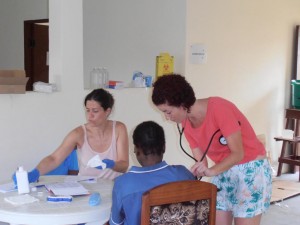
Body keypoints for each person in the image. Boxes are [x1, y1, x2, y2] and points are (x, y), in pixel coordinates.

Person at [151, 74, 272, 225]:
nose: (167, 118)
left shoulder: (219, 108)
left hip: (251, 170)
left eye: (168, 112)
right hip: (223, 171)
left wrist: (212, 171)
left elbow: (238, 153)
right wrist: (197, 170)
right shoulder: (186, 123)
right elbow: (202, 162)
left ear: (182, 104)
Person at [13, 88, 129, 184]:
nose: (90, 116)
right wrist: (35, 173)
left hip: (114, 187)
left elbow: (124, 165)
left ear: (107, 111)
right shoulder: (78, 134)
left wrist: (112, 164)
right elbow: (54, 158)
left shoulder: (119, 129)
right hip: (87, 187)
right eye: (87, 110)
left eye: (95, 111)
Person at [109, 121, 195, 225]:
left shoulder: (123, 184)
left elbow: (116, 222)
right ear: (164, 147)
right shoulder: (183, 174)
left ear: (136, 149)